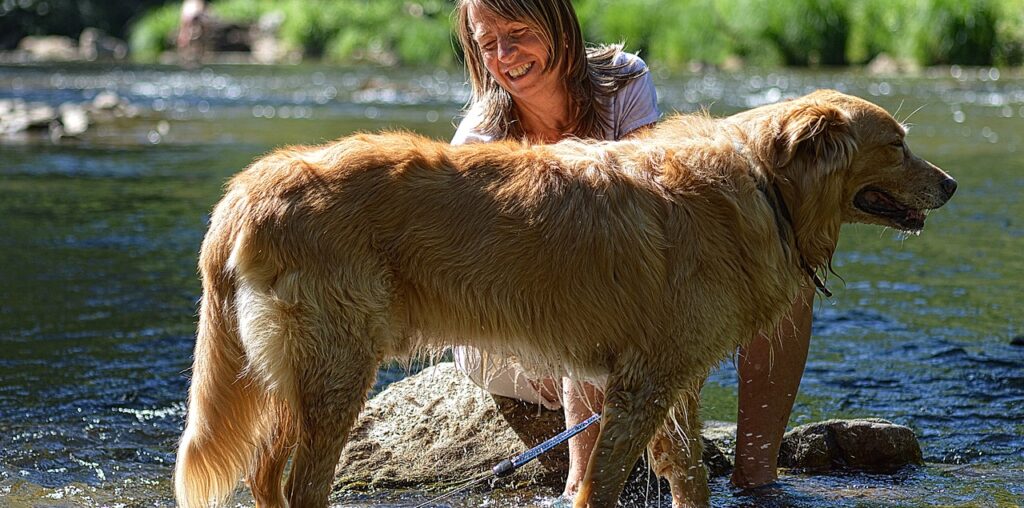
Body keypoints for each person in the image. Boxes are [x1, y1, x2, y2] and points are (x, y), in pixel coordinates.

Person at [448, 0, 815, 497]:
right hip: (510, 328)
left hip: (615, 295)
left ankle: (757, 477)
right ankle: (580, 485)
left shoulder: (622, 81)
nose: (505, 54)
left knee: (780, 272)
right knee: (597, 282)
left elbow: (660, 203)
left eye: (517, 32)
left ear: (557, 22)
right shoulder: (479, 142)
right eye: (487, 43)